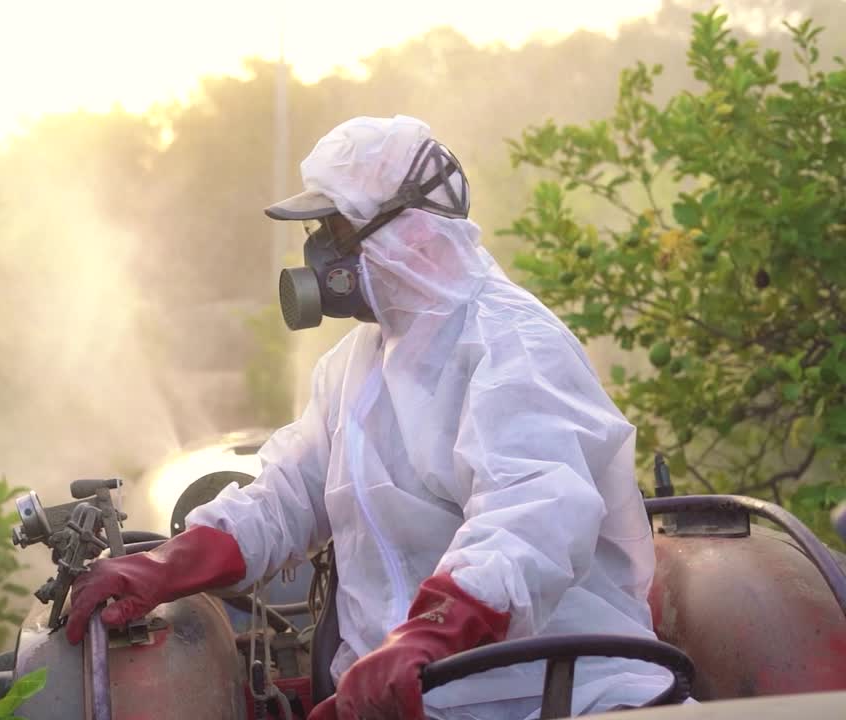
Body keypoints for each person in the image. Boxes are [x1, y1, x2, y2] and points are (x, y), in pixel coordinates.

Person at [65, 115, 673, 720]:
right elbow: (286, 495)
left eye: (333, 228)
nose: (318, 252)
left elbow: (535, 517)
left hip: (553, 695)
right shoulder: (355, 366)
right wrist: (165, 566)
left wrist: (425, 639)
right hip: (415, 698)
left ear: (402, 232)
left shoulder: (511, 344)